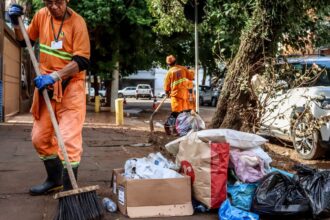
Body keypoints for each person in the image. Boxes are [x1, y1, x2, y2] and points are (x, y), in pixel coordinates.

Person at [8, 0, 90, 195]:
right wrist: (16, 23)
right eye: (49, 2)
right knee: (39, 139)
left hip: (71, 88)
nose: (53, 6)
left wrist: (54, 76)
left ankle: (70, 194)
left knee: (68, 141)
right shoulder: (41, 15)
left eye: (58, 2)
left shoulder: (78, 23)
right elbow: (24, 41)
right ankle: (55, 180)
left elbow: (82, 60)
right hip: (46, 90)